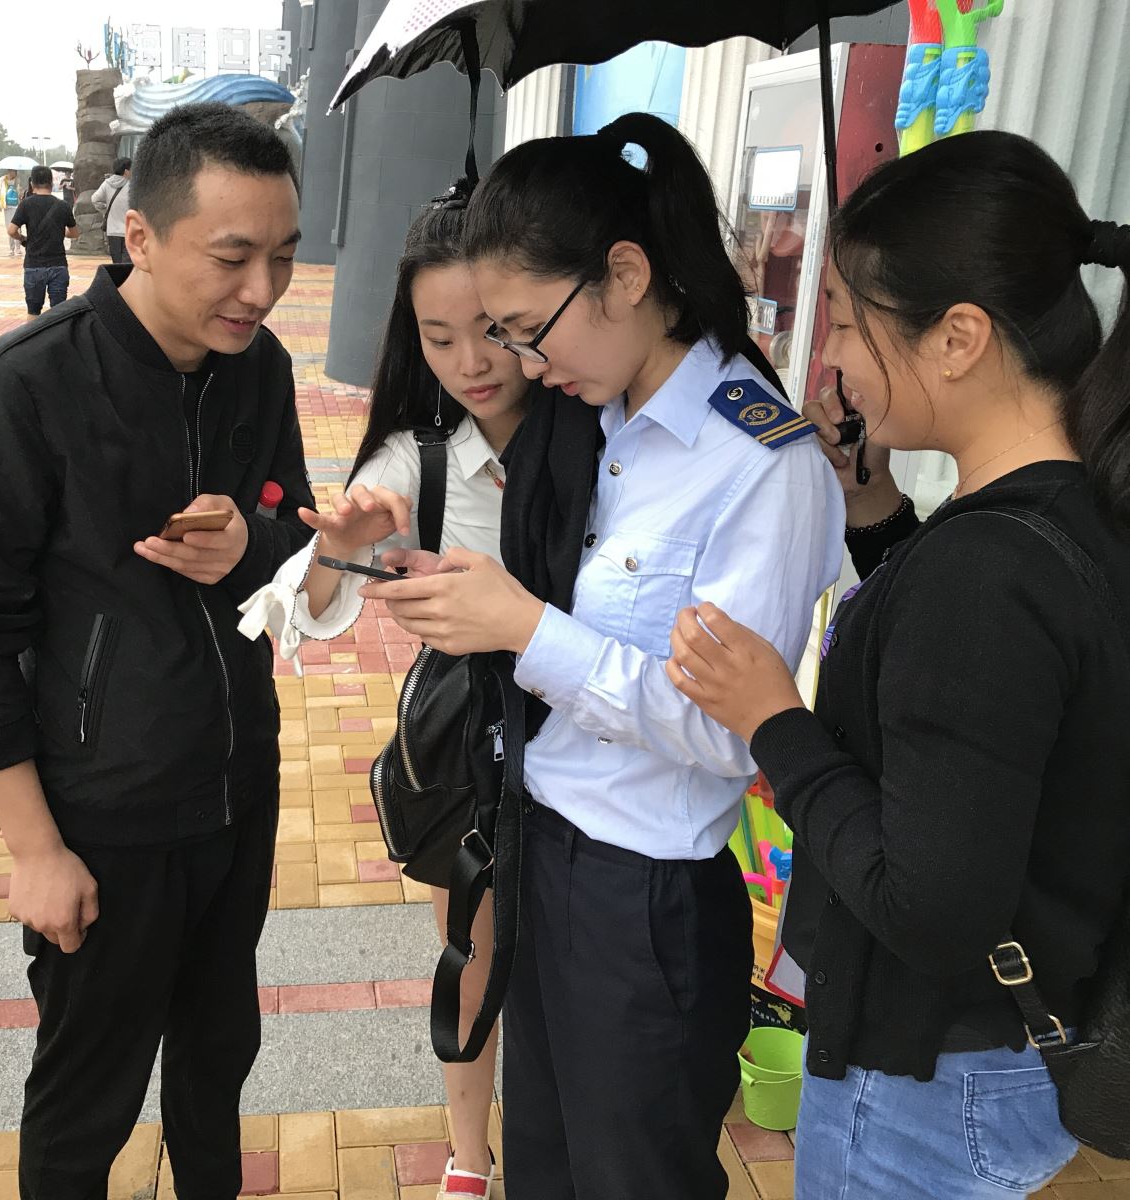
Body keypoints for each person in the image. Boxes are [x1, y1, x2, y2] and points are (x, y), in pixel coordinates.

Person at [665, 131, 1130, 1199]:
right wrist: (876, 512)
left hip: (922, 1084)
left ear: (959, 337)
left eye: (844, 319)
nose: (830, 359)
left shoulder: (987, 572)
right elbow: (995, 703)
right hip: (1019, 1042)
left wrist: (772, 720)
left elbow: (928, 906)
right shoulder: (1120, 503)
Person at [358, 113, 845, 1199]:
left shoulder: (757, 465)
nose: (524, 363)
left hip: (645, 903)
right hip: (542, 854)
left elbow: (730, 734)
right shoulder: (593, 424)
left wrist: (526, 629)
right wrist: (446, 585)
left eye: (530, 330)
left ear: (625, 275)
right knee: (545, 1167)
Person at [0, 102, 313, 1200]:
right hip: (101, 818)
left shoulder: (260, 368)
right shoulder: (22, 387)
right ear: (138, 236)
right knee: (86, 1097)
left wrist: (248, 547)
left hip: (235, 790)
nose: (262, 289)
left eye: (283, 256)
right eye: (232, 257)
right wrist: (35, 849)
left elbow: (292, 535)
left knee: (217, 1064)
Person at [238, 179, 528, 1199]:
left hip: (597, 731)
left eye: (493, 329)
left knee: (573, 955)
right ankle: (468, 1154)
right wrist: (341, 549)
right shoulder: (419, 460)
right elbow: (303, 606)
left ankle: (557, 1130)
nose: (470, 362)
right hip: (477, 741)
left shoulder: (600, 433)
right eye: (439, 338)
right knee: (471, 950)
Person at [9, 165, 79, 317]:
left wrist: (23, 239)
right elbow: (74, 233)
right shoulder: (63, 206)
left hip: (34, 266)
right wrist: (59, 231)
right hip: (58, 265)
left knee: (33, 313)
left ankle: (34, 333)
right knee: (58, 313)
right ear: (51, 183)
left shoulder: (26, 204)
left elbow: (11, 230)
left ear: (32, 183)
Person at [93, 157, 133, 264]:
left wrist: (106, 210)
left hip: (112, 232)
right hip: (128, 231)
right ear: (126, 171)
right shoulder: (131, 186)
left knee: (117, 264)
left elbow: (95, 199)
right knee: (128, 264)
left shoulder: (107, 184)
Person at [0, 171, 23, 257]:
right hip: (7, 207)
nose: (14, 173)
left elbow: (21, 195)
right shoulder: (3, 180)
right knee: (9, 228)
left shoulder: (18, 180)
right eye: (12, 171)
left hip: (17, 207)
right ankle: (11, 248)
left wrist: (19, 191)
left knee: (17, 228)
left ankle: (18, 248)